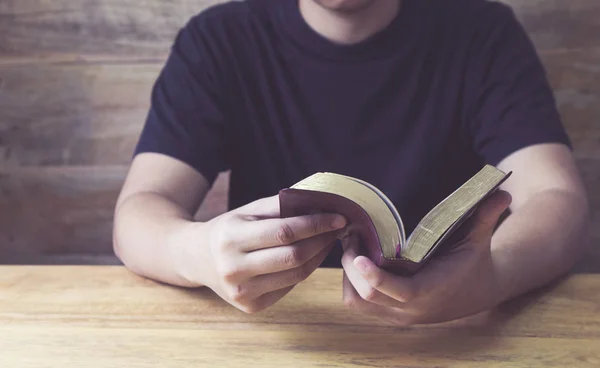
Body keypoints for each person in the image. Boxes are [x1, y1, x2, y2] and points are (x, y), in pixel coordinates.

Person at [112, 0, 590, 325]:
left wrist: (493, 278)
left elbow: (556, 197)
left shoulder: (483, 31)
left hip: (451, 336)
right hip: (281, 332)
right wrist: (194, 252)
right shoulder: (219, 39)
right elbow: (141, 209)